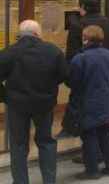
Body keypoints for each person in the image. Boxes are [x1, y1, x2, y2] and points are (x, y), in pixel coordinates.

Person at [0, 20, 68, 184]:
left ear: (20, 34)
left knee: (18, 144)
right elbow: (64, 75)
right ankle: (49, 180)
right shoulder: (53, 51)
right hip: (44, 104)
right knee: (46, 142)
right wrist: (49, 88)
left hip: (17, 105)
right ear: (38, 33)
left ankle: (21, 181)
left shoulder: (9, 52)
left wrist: (6, 96)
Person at [62, 0, 109, 144]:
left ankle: (90, 154)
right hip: (107, 76)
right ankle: (105, 155)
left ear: (82, 7)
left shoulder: (77, 25)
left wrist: (70, 78)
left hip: (85, 78)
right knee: (102, 116)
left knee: (86, 117)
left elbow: (71, 55)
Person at [70, 25, 109, 179]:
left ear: (85, 39)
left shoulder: (80, 58)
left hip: (86, 101)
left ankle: (92, 170)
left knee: (89, 135)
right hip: (104, 99)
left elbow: (73, 82)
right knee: (105, 133)